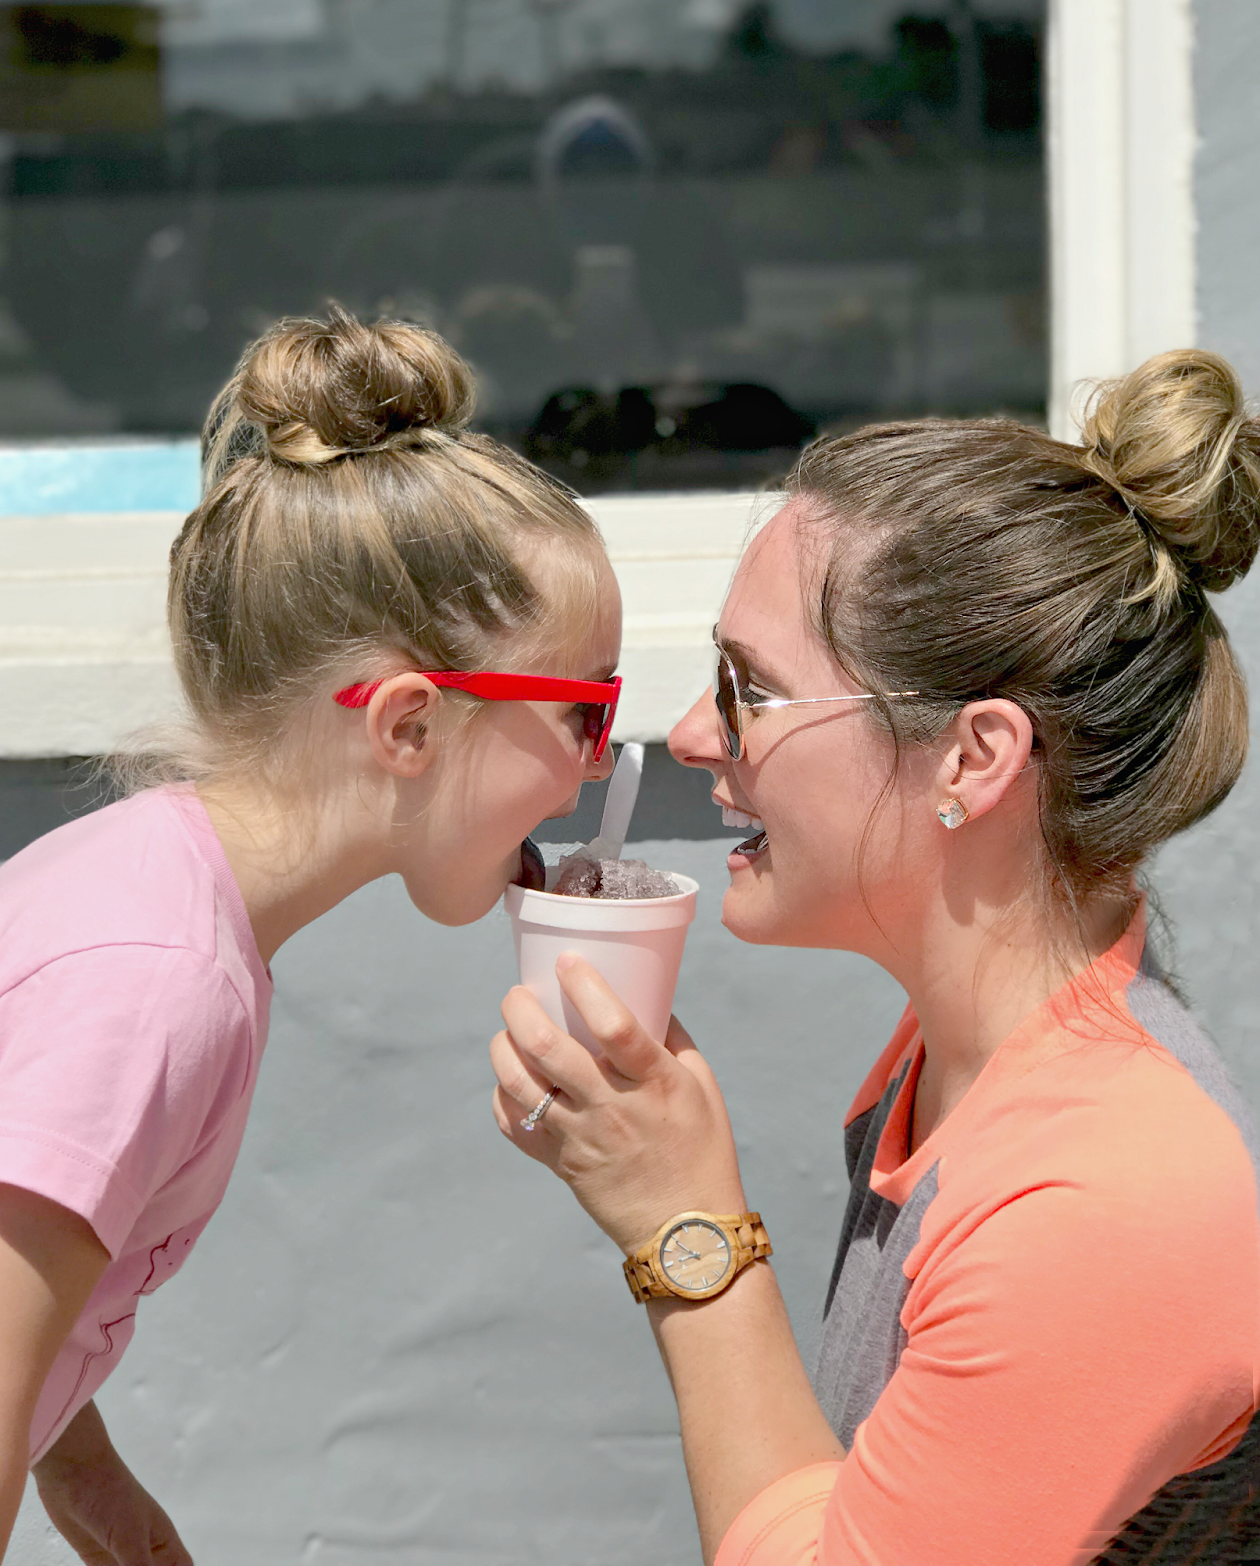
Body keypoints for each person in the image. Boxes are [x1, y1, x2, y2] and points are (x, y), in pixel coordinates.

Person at [492, 349, 1260, 1564]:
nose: (692, 733)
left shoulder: (1098, 1201)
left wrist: (685, 1223)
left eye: (748, 690)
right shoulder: (950, 1067)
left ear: (974, 758)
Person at [0, 307, 621, 1563]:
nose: (592, 771)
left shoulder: (153, 891)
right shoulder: (159, 981)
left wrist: (91, 1483)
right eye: (584, 716)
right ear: (408, 726)